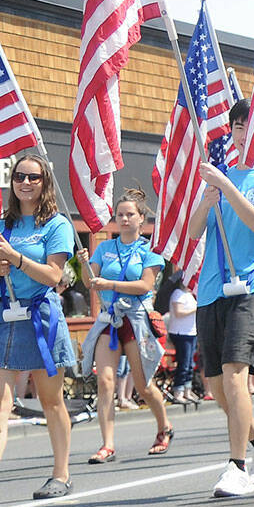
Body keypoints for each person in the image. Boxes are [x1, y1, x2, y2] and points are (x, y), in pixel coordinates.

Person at [0, 151, 77, 507]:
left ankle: (61, 474)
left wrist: (19, 259)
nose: (25, 183)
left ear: (45, 183)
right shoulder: (0, 226)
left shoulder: (56, 225)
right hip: (3, 315)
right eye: (20, 177)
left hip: (41, 315)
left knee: (51, 400)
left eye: (33, 178)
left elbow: (55, 276)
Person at [187, 98, 254, 498]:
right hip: (211, 290)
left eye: (253, 125)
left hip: (249, 289)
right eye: (240, 125)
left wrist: (227, 186)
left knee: (235, 377)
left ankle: (236, 467)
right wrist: (208, 197)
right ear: (232, 130)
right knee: (217, 389)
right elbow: (197, 230)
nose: (245, 131)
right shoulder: (221, 177)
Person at [78, 188, 175, 463]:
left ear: (141, 218)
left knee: (143, 385)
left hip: (135, 319)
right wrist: (85, 265)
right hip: (109, 320)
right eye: (120, 214)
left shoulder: (150, 250)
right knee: (105, 382)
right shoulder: (106, 247)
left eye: (129, 214)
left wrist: (109, 284)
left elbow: (145, 285)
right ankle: (107, 444)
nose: (123, 219)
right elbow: (89, 282)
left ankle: (163, 427)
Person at [157, 272, 199, 403]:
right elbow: (179, 312)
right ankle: (178, 391)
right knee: (184, 363)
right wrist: (195, 310)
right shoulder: (177, 294)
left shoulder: (190, 295)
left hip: (191, 332)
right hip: (181, 333)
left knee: (190, 364)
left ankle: (187, 390)